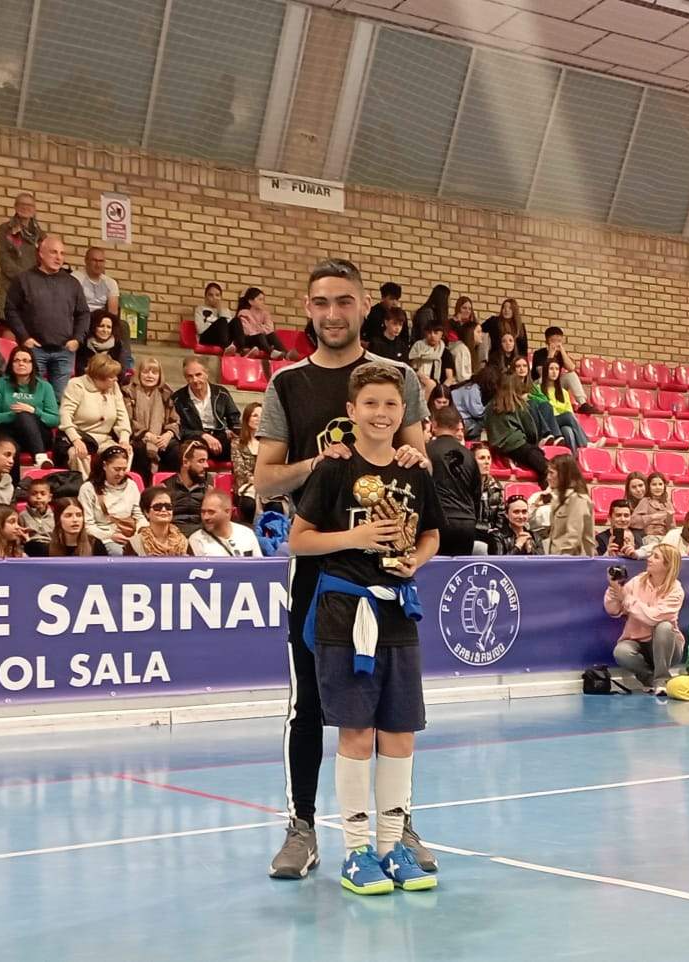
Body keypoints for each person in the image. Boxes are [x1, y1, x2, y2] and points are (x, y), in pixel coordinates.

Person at [254, 259, 429, 879]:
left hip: (388, 571)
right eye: (322, 302)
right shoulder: (288, 384)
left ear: (363, 309)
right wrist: (326, 464)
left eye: (345, 302)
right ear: (308, 308)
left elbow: (417, 465)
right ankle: (303, 826)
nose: (333, 313)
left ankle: (396, 827)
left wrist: (412, 454)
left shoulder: (397, 376)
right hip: (322, 572)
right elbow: (264, 479)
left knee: (391, 707)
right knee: (309, 704)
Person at [286, 360, 441, 895]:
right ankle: (355, 853)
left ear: (404, 413)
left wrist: (414, 562)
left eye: (390, 405)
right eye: (370, 404)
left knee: (399, 731)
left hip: (398, 609)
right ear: (351, 412)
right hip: (343, 613)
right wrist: (353, 539)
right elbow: (299, 540)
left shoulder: (415, 470)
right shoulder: (333, 469)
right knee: (356, 732)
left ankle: (391, 845)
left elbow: (432, 535)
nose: (381, 413)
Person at [6, 235, 90, 400]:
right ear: (41, 254)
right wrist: (24, 337)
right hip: (34, 350)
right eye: (53, 252)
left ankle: (55, 427)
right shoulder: (23, 280)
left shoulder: (72, 283)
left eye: (62, 253)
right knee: (31, 398)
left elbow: (84, 313)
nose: (58, 257)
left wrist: (77, 339)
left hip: (64, 351)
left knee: (59, 401)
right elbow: (11, 310)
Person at [607, 544, 685, 692]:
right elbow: (613, 610)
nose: (649, 559)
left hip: (668, 648)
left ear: (667, 565)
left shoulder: (676, 590)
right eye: (650, 555)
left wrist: (627, 599)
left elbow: (653, 618)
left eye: (656, 557)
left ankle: (662, 680)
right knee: (621, 652)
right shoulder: (637, 581)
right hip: (637, 642)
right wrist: (614, 589)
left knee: (664, 627)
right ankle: (649, 678)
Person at [0, 346, 59, 472]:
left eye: (26, 360)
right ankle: (14, 485)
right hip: (9, 433)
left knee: (25, 415)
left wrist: (34, 411)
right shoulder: (1, 384)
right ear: (11, 364)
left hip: (39, 436)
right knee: (11, 445)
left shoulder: (44, 386)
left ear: (32, 364)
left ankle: (40, 457)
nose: (21, 363)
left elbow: (54, 420)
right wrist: (14, 414)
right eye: (17, 360)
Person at [57, 353, 133, 471]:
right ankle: (85, 488)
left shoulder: (114, 387)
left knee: (124, 453)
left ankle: (115, 487)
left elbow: (122, 416)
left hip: (105, 440)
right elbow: (65, 415)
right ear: (100, 376)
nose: (116, 379)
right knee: (79, 454)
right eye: (112, 376)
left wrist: (124, 440)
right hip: (80, 437)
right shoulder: (77, 385)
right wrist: (76, 440)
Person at [424, 407, 480, 556]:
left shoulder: (426, 451)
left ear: (433, 425)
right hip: (466, 521)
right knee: (458, 575)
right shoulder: (470, 455)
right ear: (457, 427)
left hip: (438, 521)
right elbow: (476, 493)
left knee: (435, 573)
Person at [123, 355, 179, 486]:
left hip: (161, 437)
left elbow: (174, 419)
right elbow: (128, 419)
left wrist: (168, 434)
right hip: (137, 437)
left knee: (175, 450)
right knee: (140, 449)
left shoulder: (166, 393)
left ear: (160, 376)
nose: (150, 376)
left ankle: (167, 488)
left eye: (154, 372)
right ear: (139, 374)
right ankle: (142, 488)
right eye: (146, 372)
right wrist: (148, 435)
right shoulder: (129, 391)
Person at [79, 444, 143, 556]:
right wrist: (109, 536)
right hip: (103, 537)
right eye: (117, 469)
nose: (121, 474)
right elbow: (88, 525)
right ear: (104, 465)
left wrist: (140, 531)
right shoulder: (88, 488)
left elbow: (139, 516)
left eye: (124, 469)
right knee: (117, 553)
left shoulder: (131, 485)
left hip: (131, 535)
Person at [484, 374, 548, 481]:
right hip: (518, 446)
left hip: (497, 448)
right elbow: (531, 432)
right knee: (546, 469)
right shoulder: (518, 405)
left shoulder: (489, 407)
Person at [0, 192, 44, 313]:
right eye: (22, 204)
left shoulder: (40, 234)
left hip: (33, 289)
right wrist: (24, 277)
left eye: (29, 205)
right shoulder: (6, 229)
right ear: (15, 207)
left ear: (34, 210)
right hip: (11, 286)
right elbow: (4, 258)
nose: (26, 208)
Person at [528, 326, 592, 414]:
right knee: (544, 377)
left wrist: (562, 352)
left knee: (571, 375)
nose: (556, 343)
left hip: (555, 385)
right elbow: (543, 374)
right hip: (539, 384)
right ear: (547, 341)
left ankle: (583, 404)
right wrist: (550, 355)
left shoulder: (561, 354)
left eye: (559, 341)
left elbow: (571, 368)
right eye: (553, 340)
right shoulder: (539, 353)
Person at [542, 454, 594, 556]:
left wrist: (562, 561)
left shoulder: (578, 499)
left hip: (571, 562)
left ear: (563, 474)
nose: (548, 477)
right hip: (557, 558)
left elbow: (573, 537)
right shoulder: (559, 498)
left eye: (551, 473)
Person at [188, 489, 261, 557]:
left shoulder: (247, 534)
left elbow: (259, 567)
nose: (205, 517)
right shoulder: (196, 540)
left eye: (211, 512)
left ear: (227, 512)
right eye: (203, 512)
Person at [166, 439, 210, 533]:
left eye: (206, 460)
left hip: (201, 537)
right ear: (185, 462)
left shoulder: (208, 490)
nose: (206, 465)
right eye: (201, 461)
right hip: (172, 536)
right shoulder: (165, 488)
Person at [76, 312, 134, 382]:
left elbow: (123, 371)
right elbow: (80, 370)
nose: (105, 330)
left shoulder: (118, 346)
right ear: (94, 327)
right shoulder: (83, 346)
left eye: (109, 327)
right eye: (101, 326)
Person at [233, 287, 287, 360]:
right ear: (251, 301)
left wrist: (257, 327)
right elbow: (247, 331)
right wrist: (261, 328)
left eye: (263, 300)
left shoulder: (265, 314)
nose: (262, 302)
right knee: (260, 336)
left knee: (272, 335)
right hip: (249, 340)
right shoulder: (244, 313)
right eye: (260, 299)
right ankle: (271, 352)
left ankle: (286, 355)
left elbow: (270, 329)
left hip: (262, 340)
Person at [76, 247, 121, 320]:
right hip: (80, 319)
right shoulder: (76, 278)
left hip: (99, 322)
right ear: (86, 261)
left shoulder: (111, 283)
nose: (98, 264)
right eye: (94, 260)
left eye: (101, 261)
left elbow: (113, 314)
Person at [630, 472, 674, 543]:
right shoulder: (645, 501)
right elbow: (633, 521)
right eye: (654, 484)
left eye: (660, 484)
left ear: (664, 486)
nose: (658, 487)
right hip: (650, 537)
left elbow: (672, 529)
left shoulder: (668, 504)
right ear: (649, 486)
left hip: (665, 537)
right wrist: (653, 517)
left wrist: (670, 519)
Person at [193, 281, 235, 352]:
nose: (214, 298)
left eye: (217, 295)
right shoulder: (200, 309)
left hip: (222, 338)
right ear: (206, 297)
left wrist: (219, 309)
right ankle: (226, 347)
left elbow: (229, 328)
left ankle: (241, 350)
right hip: (206, 337)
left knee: (236, 321)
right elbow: (200, 330)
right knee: (222, 321)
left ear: (221, 297)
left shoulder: (225, 310)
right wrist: (215, 324)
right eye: (210, 295)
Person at [408, 321, 450, 390]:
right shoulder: (418, 346)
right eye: (429, 333)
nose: (432, 335)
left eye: (436, 333)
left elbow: (449, 377)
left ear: (441, 335)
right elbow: (410, 365)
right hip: (418, 382)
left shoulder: (445, 352)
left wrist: (441, 390)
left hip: (438, 386)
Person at [19, 476, 54, 554]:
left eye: (43, 494)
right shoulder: (22, 516)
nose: (38, 497)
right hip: (30, 549)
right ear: (28, 496)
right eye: (34, 494)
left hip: (50, 549)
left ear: (50, 497)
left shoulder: (55, 516)